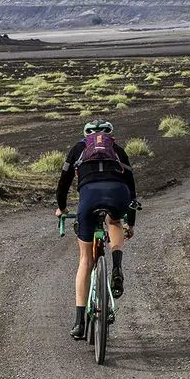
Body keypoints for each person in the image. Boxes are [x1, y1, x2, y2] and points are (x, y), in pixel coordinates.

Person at [54, 119, 137, 340]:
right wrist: (131, 223)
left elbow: (63, 182)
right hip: (118, 193)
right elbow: (131, 186)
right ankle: (117, 266)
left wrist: (61, 208)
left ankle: (79, 323)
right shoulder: (117, 150)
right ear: (110, 135)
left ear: (86, 135)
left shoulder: (78, 149)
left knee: (85, 260)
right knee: (114, 222)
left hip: (89, 196)